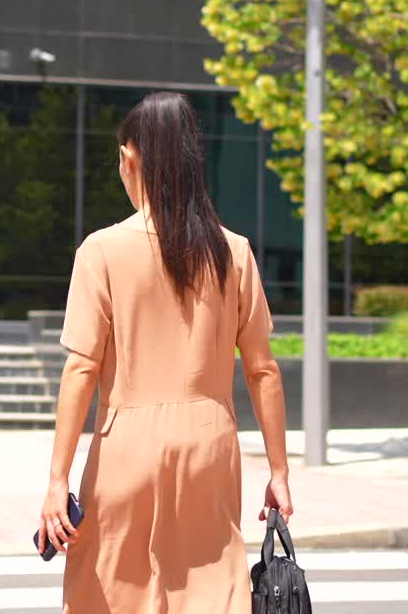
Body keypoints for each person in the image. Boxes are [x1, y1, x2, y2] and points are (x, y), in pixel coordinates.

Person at [37, 91, 292, 612]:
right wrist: (279, 472)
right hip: (210, 445)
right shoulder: (234, 252)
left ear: (131, 159)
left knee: (112, 586)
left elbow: (81, 368)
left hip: (126, 444)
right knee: (209, 588)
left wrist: (58, 479)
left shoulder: (101, 251)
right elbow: (263, 370)